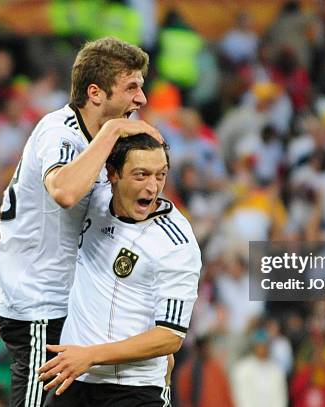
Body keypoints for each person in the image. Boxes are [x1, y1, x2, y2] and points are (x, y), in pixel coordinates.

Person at [0, 37, 162, 407]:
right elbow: (65, 191)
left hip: (73, 306)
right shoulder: (60, 131)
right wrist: (113, 132)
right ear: (95, 93)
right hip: (38, 308)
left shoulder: (101, 142)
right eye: (132, 87)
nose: (142, 99)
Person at [38, 134, 202, 407]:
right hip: (73, 380)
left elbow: (170, 337)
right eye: (141, 175)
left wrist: (90, 356)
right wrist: (116, 127)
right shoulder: (94, 197)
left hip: (133, 390)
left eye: (160, 175)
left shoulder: (176, 242)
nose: (153, 187)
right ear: (112, 174)